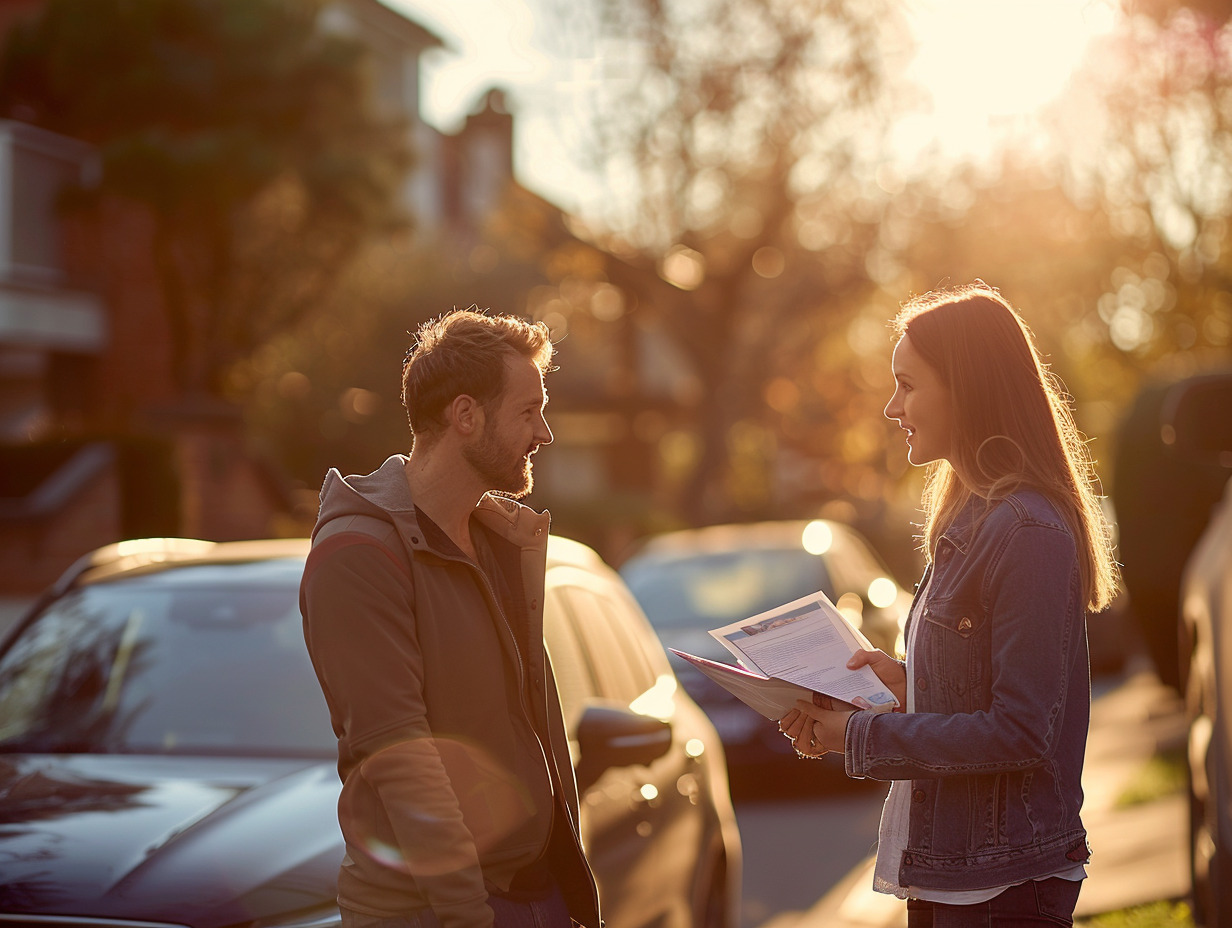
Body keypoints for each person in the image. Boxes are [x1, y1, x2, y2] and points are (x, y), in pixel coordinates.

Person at [780, 282, 1119, 927]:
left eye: (908, 384)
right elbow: (983, 701)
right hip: (952, 873)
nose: (891, 405)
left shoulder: (1028, 531)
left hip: (1003, 887)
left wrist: (860, 734)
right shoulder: (973, 519)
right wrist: (905, 689)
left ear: (967, 387)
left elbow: (1022, 731)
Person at [300, 308, 601, 928]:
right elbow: (401, 756)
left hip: (536, 896)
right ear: (465, 416)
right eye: (527, 411)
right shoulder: (358, 554)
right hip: (440, 912)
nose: (543, 433)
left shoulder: (497, 539)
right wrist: (468, 915)